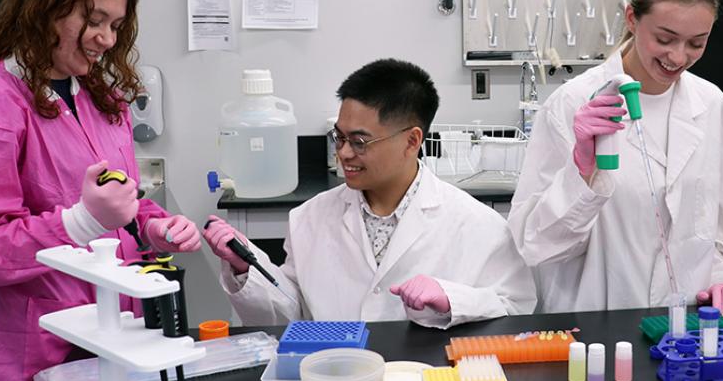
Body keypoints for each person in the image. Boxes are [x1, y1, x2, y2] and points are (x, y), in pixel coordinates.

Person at [0, 0, 201, 381]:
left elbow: (122, 203)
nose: (107, 38)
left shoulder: (104, 101)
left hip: (116, 339)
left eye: (116, 25)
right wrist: (79, 222)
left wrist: (156, 227)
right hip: (31, 355)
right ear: (44, 9)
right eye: (95, 20)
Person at [203, 59, 536, 327]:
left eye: (359, 142)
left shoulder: (476, 223)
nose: (344, 153)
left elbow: (517, 307)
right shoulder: (310, 218)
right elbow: (292, 314)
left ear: (411, 141)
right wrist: (248, 267)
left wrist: (453, 300)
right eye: (340, 137)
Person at [508, 0, 723, 313]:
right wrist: (581, 174)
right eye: (665, 38)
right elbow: (534, 245)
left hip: (683, 332)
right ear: (632, 18)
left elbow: (719, 230)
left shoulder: (711, 105)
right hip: (594, 325)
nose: (678, 56)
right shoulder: (572, 103)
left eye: (697, 43)